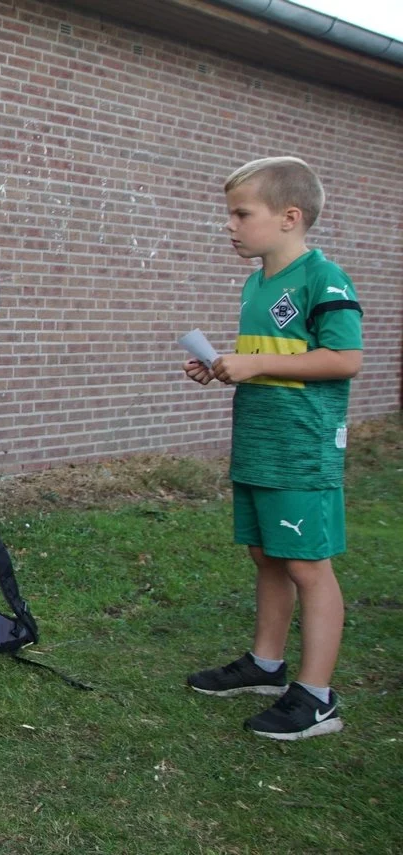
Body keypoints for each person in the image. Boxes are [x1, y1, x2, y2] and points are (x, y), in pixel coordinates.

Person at [184, 156, 363, 740]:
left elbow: (344, 359)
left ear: (289, 217)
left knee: (307, 565)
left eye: (242, 214)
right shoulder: (256, 282)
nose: (229, 225)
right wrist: (223, 367)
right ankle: (265, 665)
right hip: (259, 442)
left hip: (300, 448)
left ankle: (316, 696)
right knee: (266, 555)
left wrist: (256, 362)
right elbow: (276, 360)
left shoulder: (324, 278)